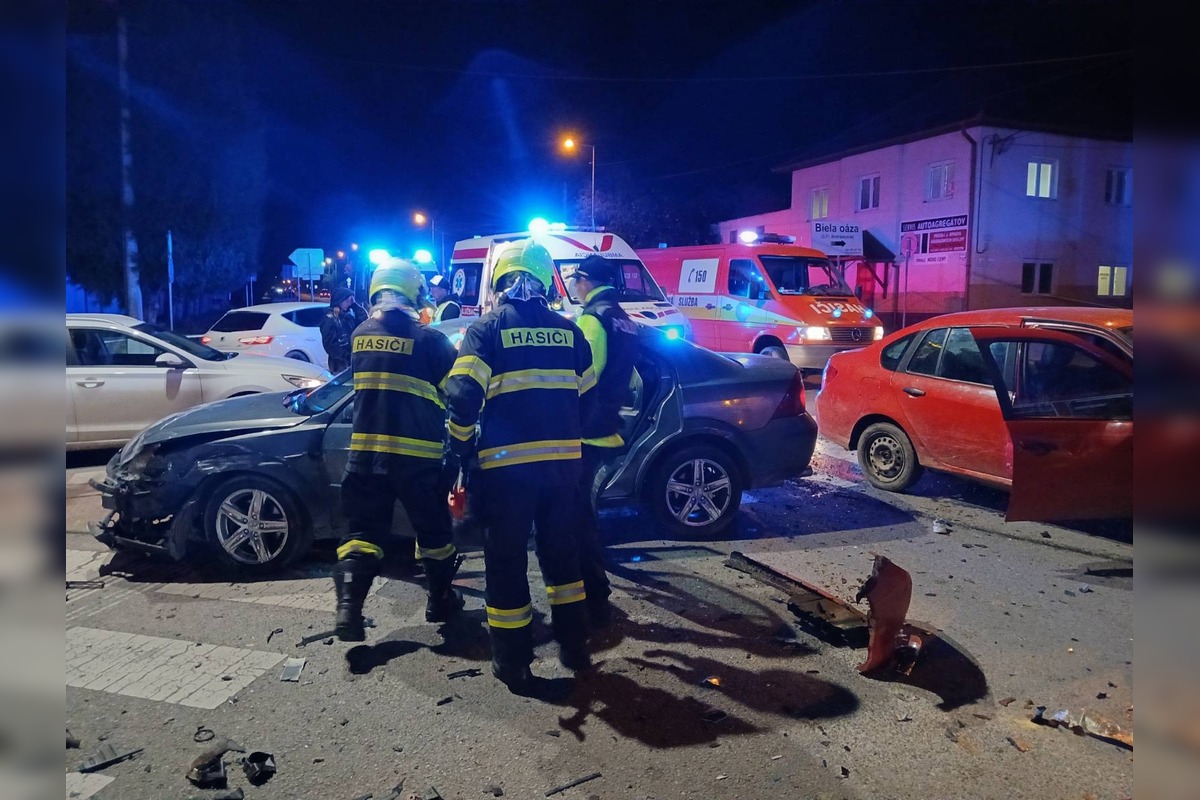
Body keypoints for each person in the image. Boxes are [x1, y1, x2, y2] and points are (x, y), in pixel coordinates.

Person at [445, 238, 597, 694]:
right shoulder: (570, 332)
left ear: (500, 280)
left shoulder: (487, 329)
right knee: (562, 555)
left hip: (507, 471)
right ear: (546, 282)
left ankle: (514, 664)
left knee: (507, 562)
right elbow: (588, 396)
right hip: (563, 470)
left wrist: (459, 448)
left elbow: (462, 396)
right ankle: (575, 648)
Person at [332, 259, 463, 642]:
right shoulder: (431, 342)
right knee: (434, 535)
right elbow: (456, 394)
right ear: (414, 293)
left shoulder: (360, 334)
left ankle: (349, 610)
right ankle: (439, 601)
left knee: (361, 535)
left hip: (365, 456)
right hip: (418, 459)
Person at [563, 254, 640, 629]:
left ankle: (595, 598)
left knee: (577, 515)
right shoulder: (623, 318)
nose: (575, 288)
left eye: (576, 281)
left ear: (586, 281)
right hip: (606, 424)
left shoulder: (592, 319)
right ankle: (593, 592)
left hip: (585, 429)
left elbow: (582, 376)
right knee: (582, 511)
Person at [320, 287, 366, 373]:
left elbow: (364, 324)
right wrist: (346, 356)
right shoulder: (330, 318)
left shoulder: (348, 316)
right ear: (339, 300)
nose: (349, 303)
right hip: (339, 365)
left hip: (352, 361)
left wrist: (355, 306)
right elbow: (330, 344)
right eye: (347, 300)